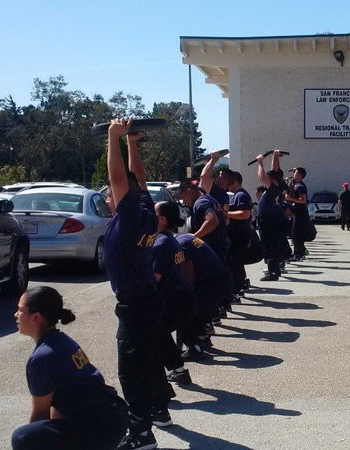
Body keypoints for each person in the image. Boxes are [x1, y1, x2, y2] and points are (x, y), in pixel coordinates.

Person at [102, 118, 166, 450]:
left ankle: (141, 433)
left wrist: (114, 137)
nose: (109, 196)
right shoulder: (146, 212)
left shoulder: (128, 219)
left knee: (131, 372)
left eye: (111, 194)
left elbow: (120, 177)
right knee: (147, 360)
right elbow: (137, 178)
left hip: (135, 305)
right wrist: (131, 143)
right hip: (147, 299)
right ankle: (159, 410)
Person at [11, 286, 128, 450]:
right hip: (112, 420)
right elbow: (59, 406)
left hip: (99, 429)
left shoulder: (42, 357)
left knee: (23, 437)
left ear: (36, 317)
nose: (16, 315)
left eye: (20, 310)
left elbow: (40, 415)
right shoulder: (62, 341)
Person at [152, 201, 195, 386]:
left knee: (154, 332)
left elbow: (154, 279)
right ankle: (178, 371)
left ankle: (176, 373)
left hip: (175, 301)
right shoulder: (171, 239)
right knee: (158, 333)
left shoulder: (161, 244)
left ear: (162, 219)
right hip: (183, 300)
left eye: (152, 214)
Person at [255, 151, 288, 281]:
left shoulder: (273, 187)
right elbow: (275, 171)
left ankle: (273, 271)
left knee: (269, 246)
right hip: (269, 219)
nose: (266, 180)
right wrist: (275, 156)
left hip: (267, 220)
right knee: (271, 245)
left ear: (272, 180)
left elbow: (262, 177)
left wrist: (260, 162)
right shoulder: (276, 186)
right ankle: (273, 270)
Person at [178, 180, 229, 262]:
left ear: (189, 191)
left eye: (184, 197)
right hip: (220, 248)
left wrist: (194, 236)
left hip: (211, 251)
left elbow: (212, 221)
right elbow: (225, 219)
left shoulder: (201, 203)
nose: (185, 202)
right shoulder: (210, 199)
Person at [226, 171, 253, 297]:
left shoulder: (241, 195)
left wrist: (226, 214)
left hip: (240, 234)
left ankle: (237, 288)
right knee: (237, 261)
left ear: (235, 180)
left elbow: (245, 213)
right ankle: (241, 283)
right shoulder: (237, 195)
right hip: (237, 233)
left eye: (229, 180)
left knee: (235, 261)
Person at [285, 166, 312, 260]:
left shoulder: (300, 186)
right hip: (296, 211)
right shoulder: (295, 185)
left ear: (300, 175)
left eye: (295, 172)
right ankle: (300, 252)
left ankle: (298, 254)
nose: (293, 174)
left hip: (300, 212)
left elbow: (303, 200)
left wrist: (290, 198)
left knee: (296, 233)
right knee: (296, 233)